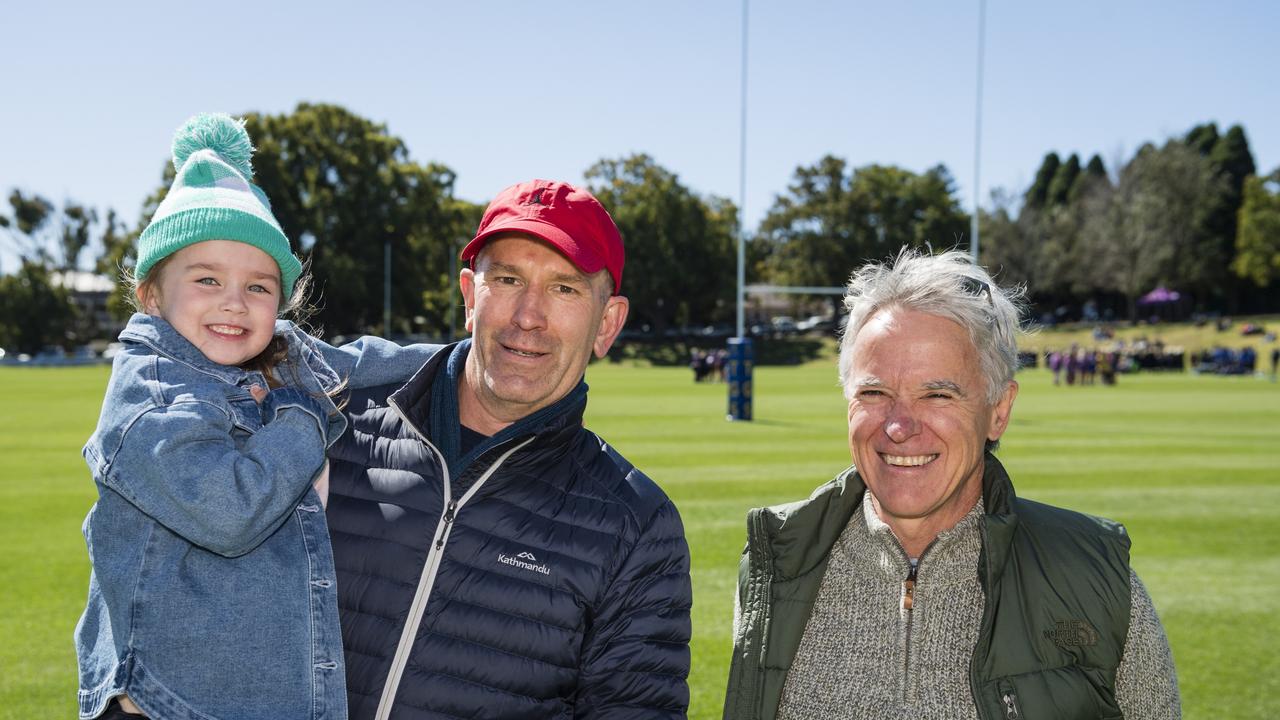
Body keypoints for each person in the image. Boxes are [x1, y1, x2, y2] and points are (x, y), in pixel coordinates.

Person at [75, 114, 431, 720]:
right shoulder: (151, 399)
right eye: (207, 279)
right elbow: (231, 510)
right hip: (164, 705)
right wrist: (306, 415)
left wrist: (470, 356)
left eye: (259, 287)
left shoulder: (280, 354)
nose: (234, 303)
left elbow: (365, 361)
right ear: (151, 295)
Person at [722, 249, 1180, 719]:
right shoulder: (777, 568)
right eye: (874, 393)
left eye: (937, 394)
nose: (899, 427)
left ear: (998, 411)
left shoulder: (1095, 579)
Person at [325, 179, 692, 719]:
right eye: (508, 278)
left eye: (564, 288)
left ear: (607, 324)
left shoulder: (637, 526)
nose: (529, 316)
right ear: (472, 296)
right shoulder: (332, 426)